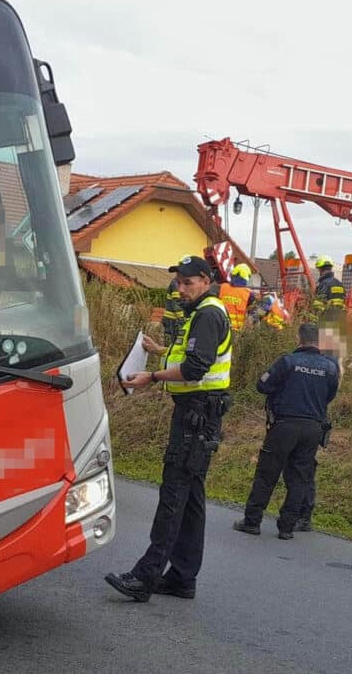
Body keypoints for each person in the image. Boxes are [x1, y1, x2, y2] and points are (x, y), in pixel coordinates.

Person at [106, 255, 232, 602]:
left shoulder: (207, 314)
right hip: (201, 414)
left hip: (196, 415)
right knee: (190, 499)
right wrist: (159, 349)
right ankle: (182, 578)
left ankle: (145, 577)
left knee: (174, 495)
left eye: (188, 283)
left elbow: (194, 368)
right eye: (178, 282)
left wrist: (151, 376)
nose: (181, 289)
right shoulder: (204, 311)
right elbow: (194, 356)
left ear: (206, 280)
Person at [233, 322, 339, 539]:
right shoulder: (330, 368)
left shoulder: (288, 362)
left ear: (299, 339)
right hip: (313, 428)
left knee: (267, 473)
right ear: (318, 342)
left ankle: (252, 521)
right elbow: (330, 395)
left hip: (285, 425)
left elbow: (262, 385)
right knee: (300, 478)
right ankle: (287, 527)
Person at [217, 261, 257, 331]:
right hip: (236, 331)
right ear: (246, 277)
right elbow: (253, 314)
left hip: (219, 328)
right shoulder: (249, 294)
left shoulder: (222, 287)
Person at [312, 255, 347, 322]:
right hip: (339, 319)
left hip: (326, 320)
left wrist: (313, 321)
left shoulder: (324, 283)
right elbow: (344, 302)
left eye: (318, 269)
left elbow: (318, 305)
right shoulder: (340, 284)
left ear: (321, 269)